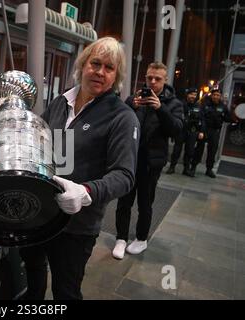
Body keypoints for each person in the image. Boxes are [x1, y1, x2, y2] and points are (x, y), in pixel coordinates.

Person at [19, 37, 140, 300]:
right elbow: (40, 144)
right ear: (82, 65)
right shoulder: (60, 102)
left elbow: (124, 176)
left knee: (66, 290)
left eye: (109, 68)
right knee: (33, 274)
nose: (100, 72)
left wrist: (86, 191)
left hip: (77, 226)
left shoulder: (122, 116)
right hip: (38, 212)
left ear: (116, 76)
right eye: (95, 63)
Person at [112, 62, 183, 260]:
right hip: (129, 159)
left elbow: (177, 131)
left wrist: (161, 109)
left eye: (157, 78)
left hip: (152, 163)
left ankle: (142, 238)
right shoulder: (135, 98)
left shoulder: (174, 103)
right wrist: (129, 106)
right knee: (124, 201)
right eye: (149, 77)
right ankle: (121, 238)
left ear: (165, 80)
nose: (152, 82)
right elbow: (117, 120)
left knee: (145, 202)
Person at [190, 88, 231, 178]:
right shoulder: (205, 104)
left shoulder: (223, 106)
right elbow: (201, 117)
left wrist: (224, 116)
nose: (216, 97)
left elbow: (228, 118)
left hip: (215, 131)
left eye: (218, 95)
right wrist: (201, 131)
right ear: (211, 96)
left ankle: (209, 169)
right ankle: (193, 167)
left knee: (212, 150)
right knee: (199, 149)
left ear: (220, 96)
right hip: (204, 129)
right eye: (214, 95)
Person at [166, 88, 202, 175]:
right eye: (191, 94)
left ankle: (186, 169)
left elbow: (201, 119)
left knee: (190, 151)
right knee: (176, 150)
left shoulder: (198, 106)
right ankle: (172, 167)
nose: (193, 96)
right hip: (181, 130)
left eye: (194, 95)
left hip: (192, 131)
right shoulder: (181, 104)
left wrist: (201, 131)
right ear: (187, 95)